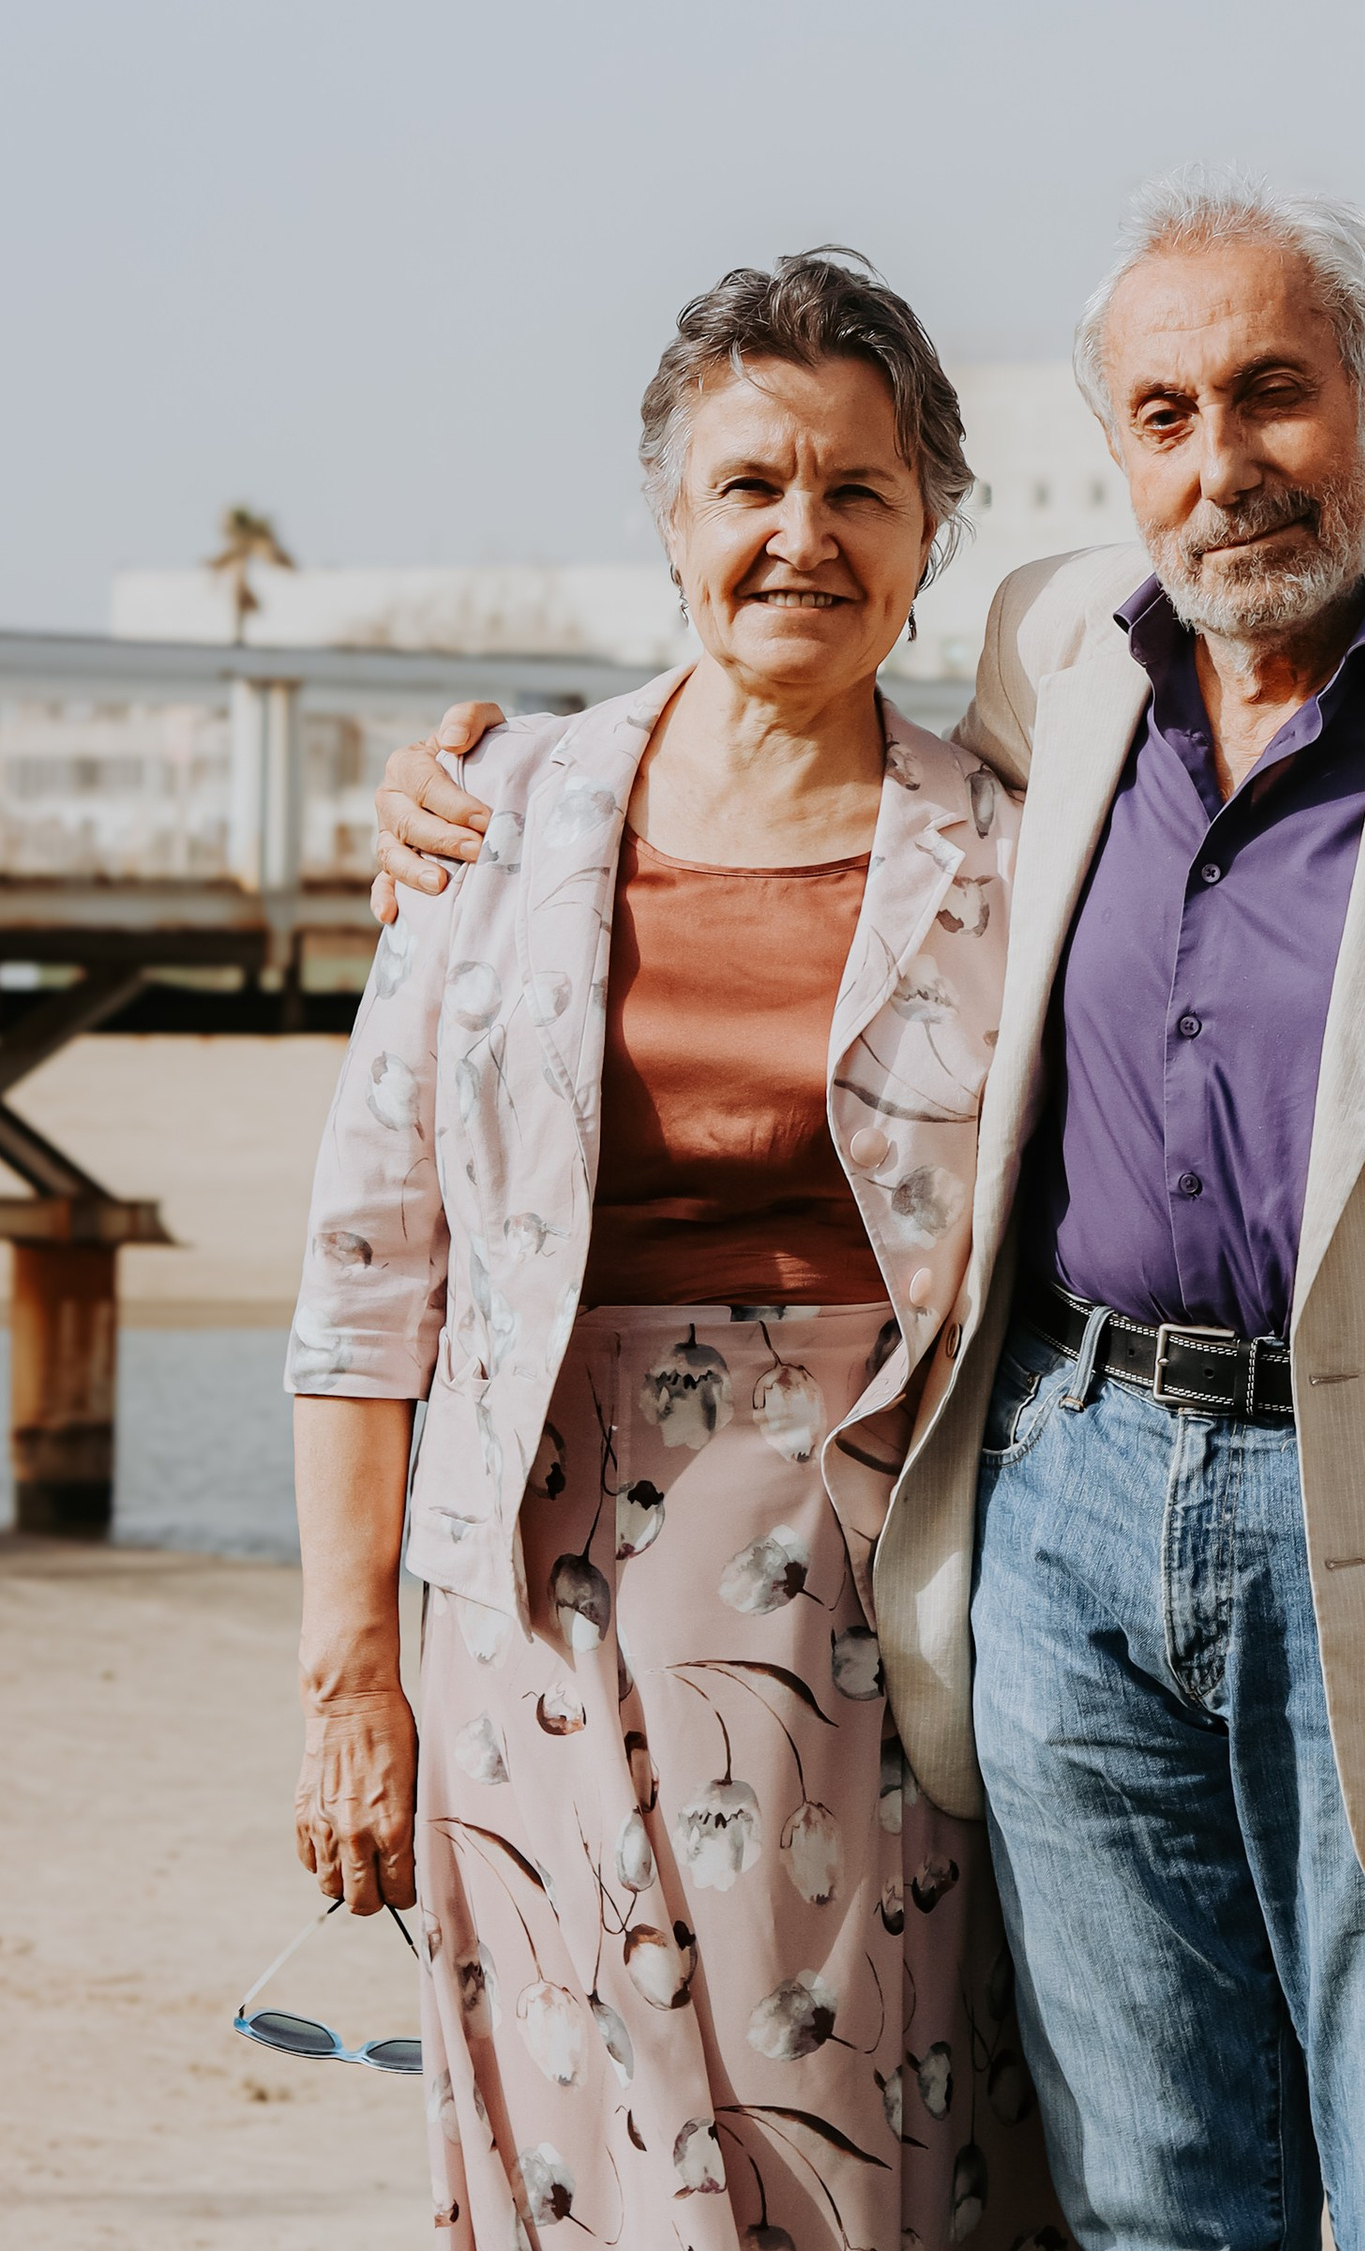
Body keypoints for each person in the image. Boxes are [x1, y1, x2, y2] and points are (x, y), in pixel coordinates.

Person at [375, 176, 1365, 2251]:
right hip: (1065, 1519)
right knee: (1143, 2198)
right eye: (1160, 413)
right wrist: (466, 791)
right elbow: (769, 705)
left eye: (1271, 396)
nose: (1219, 467)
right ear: (1111, 448)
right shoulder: (1067, 651)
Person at [295, 250, 1062, 2250]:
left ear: (927, 532)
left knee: (848, 2126)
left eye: (858, 491)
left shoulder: (1012, 848)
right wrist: (347, 1673)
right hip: (523, 1606)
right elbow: (371, 1266)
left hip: (872, 1621)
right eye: (750, 486)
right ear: (669, 519)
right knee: (574, 2123)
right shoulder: (499, 818)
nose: (799, 537)